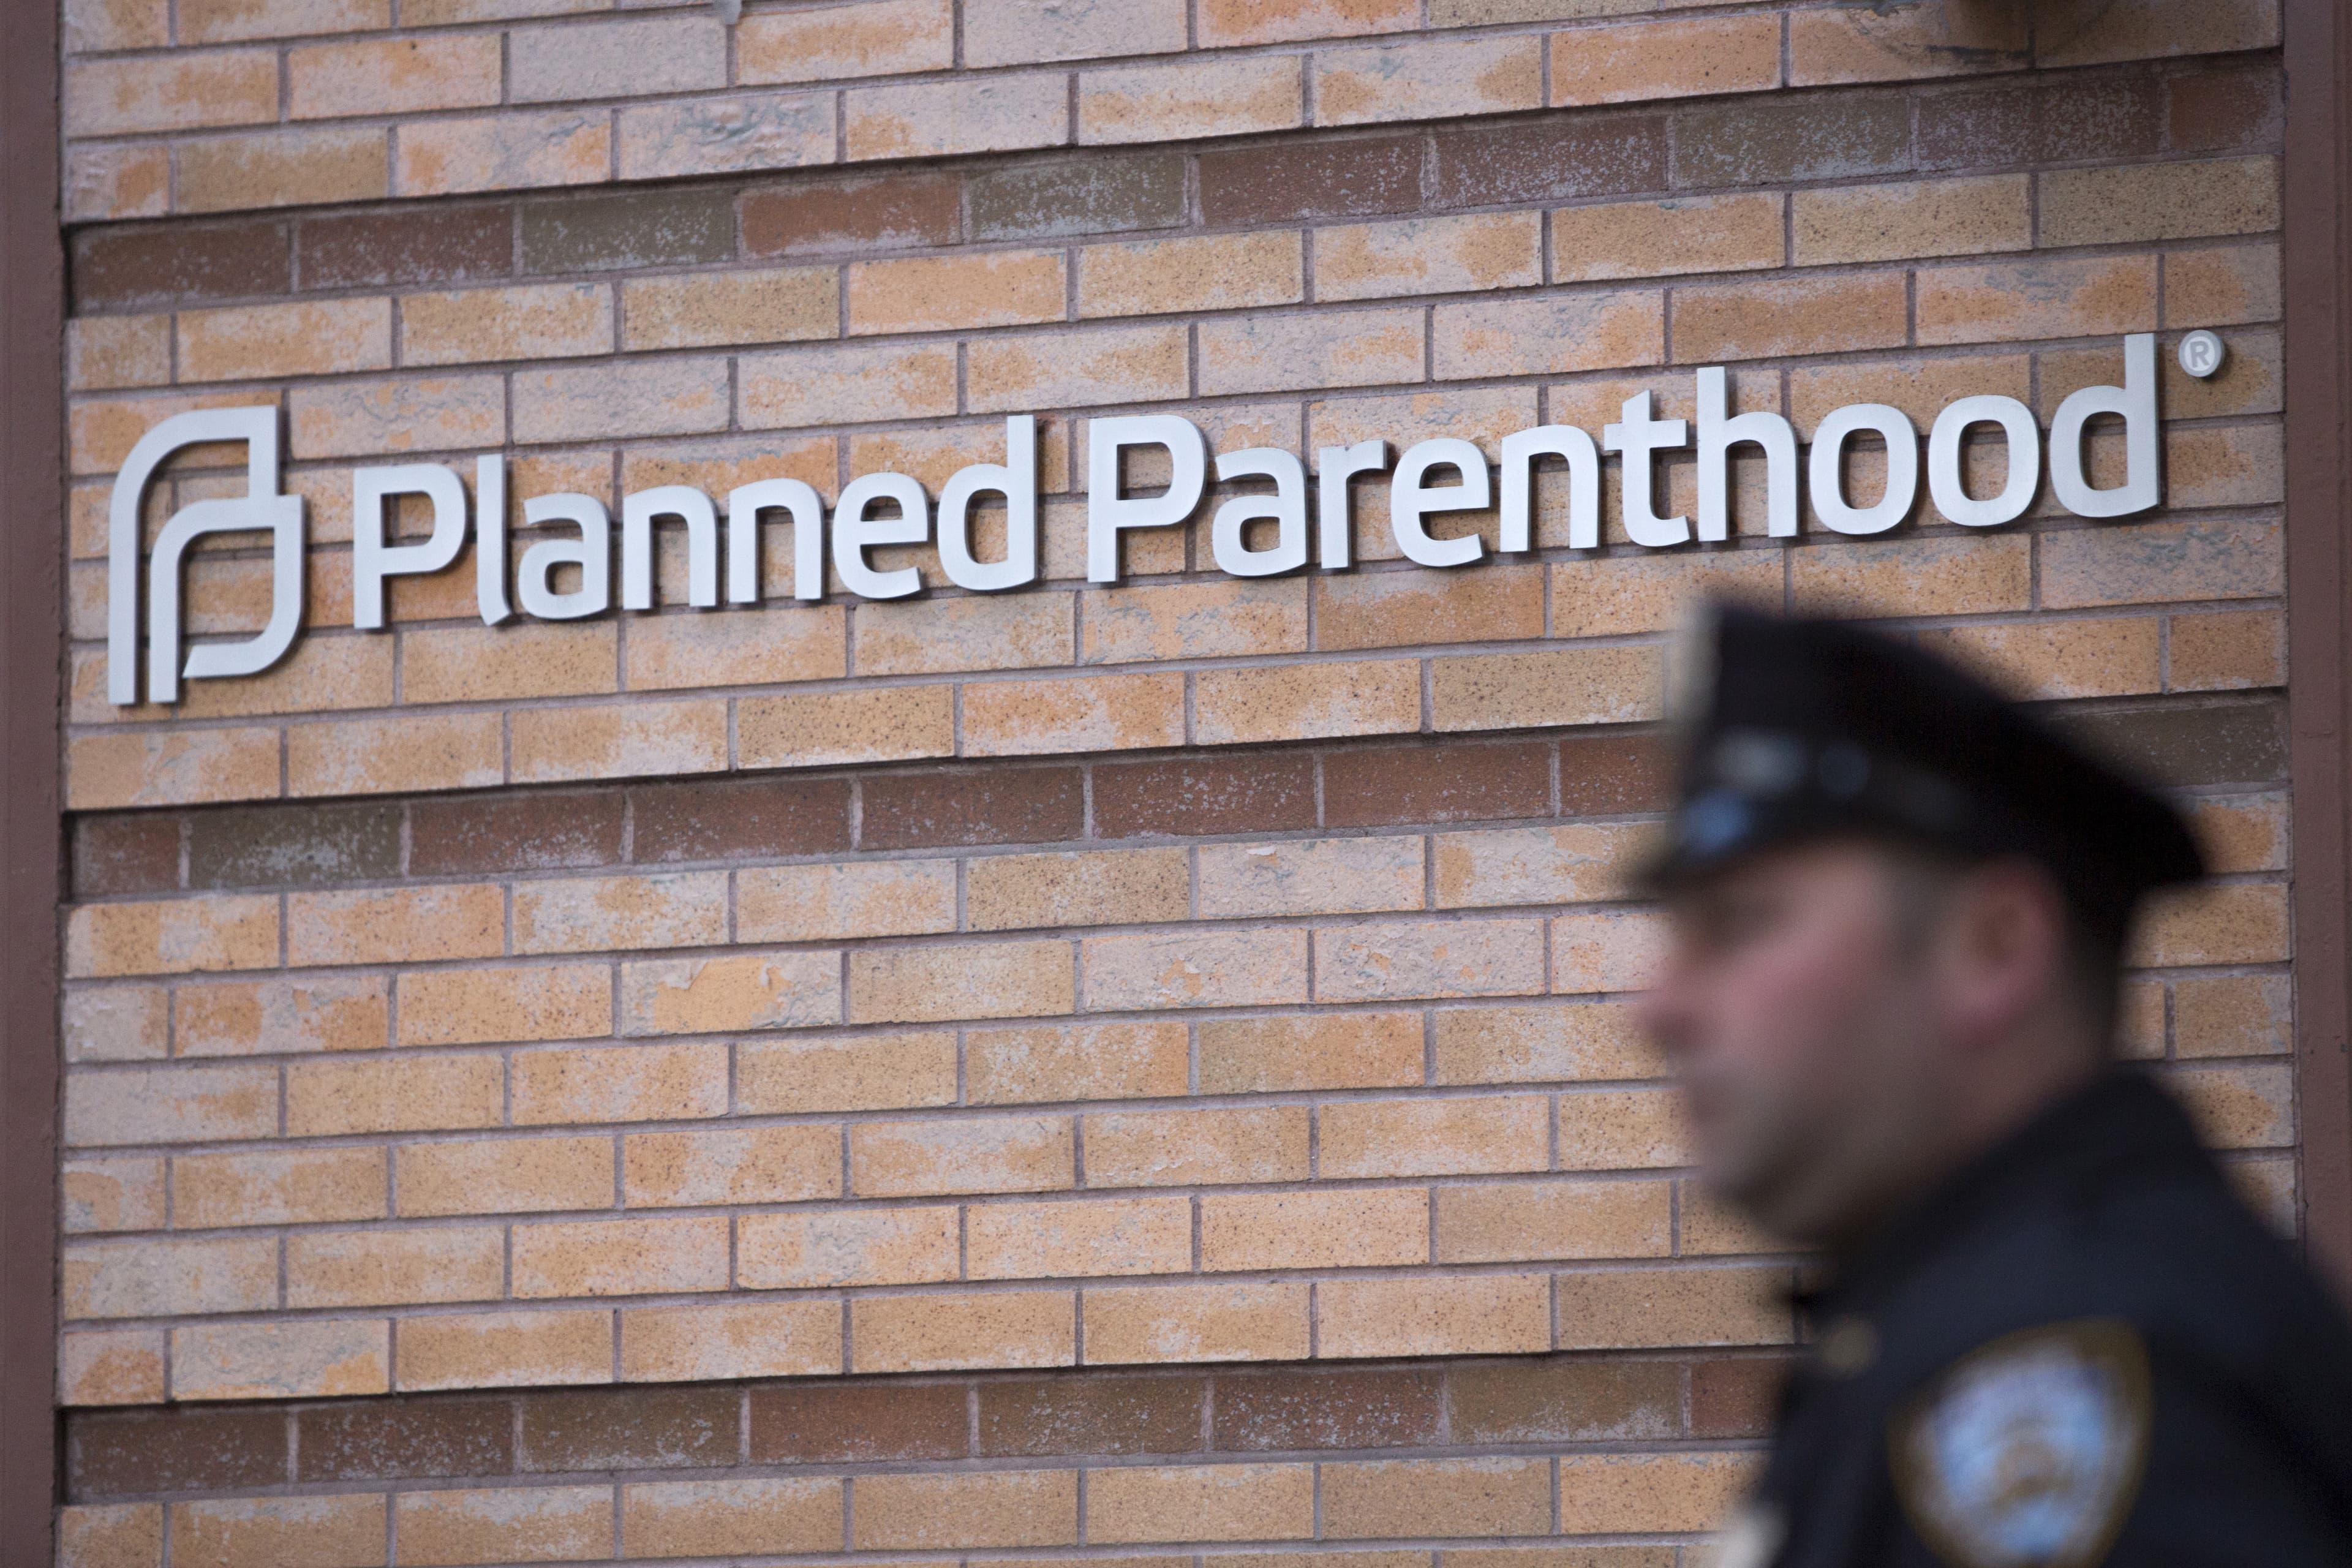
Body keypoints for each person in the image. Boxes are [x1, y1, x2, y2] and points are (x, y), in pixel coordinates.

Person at [1633, 605, 2352, 1567]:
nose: (1655, 1006)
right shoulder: (1970, 1316)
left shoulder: (2068, 1376)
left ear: (1995, 947)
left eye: (1739, 924)